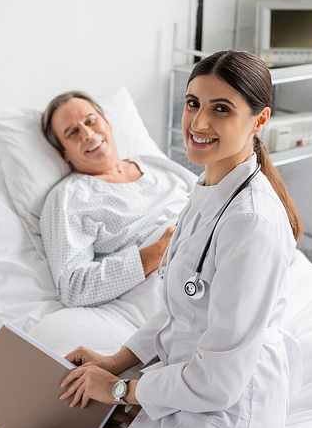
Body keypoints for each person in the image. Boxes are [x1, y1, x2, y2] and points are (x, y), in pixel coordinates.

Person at [0, 50, 303, 428]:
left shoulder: (246, 219)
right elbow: (179, 308)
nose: (198, 121)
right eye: (193, 103)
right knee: (25, 413)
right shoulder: (205, 187)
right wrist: (115, 361)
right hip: (179, 380)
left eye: (221, 109)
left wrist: (118, 389)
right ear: (63, 153)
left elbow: (217, 382)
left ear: (259, 120)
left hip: (215, 421)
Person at [39, 90, 196, 307]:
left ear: (107, 123)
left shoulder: (155, 164)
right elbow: (73, 287)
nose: (87, 134)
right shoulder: (70, 197)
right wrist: (158, 251)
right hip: (176, 275)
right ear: (64, 153)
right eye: (72, 132)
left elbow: (215, 196)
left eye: (90, 121)